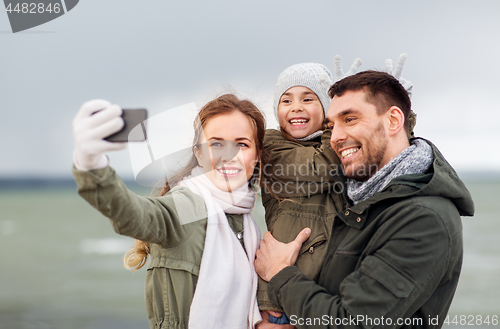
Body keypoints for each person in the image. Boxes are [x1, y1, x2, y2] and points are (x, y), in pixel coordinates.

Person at [255, 70, 475, 328]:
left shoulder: (424, 220)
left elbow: (352, 322)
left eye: (350, 119)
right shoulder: (358, 193)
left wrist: (280, 272)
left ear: (394, 120)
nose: (335, 137)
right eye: (331, 126)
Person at [72, 94, 267, 329]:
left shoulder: (247, 223)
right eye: (216, 143)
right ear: (199, 154)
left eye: (242, 144)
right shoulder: (187, 205)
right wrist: (90, 163)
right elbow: (134, 214)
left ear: (256, 157)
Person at [258, 56, 414, 325]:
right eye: (286, 100)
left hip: (322, 291)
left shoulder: (340, 145)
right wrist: (347, 123)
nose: (296, 107)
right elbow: (322, 168)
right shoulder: (272, 147)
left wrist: (392, 105)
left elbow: (386, 151)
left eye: (308, 99)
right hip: (282, 293)